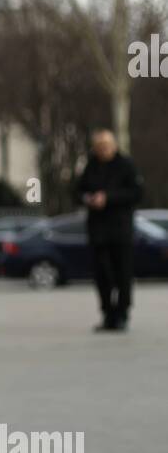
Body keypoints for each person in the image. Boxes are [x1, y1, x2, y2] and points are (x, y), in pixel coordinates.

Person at [72, 127, 144, 332]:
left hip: (121, 230)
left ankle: (122, 314)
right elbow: (77, 191)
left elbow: (137, 193)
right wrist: (88, 199)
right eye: (99, 146)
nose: (102, 150)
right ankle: (107, 314)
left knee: (123, 274)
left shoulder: (126, 165)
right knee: (102, 274)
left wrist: (108, 198)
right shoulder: (91, 166)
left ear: (114, 146)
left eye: (106, 146)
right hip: (98, 231)